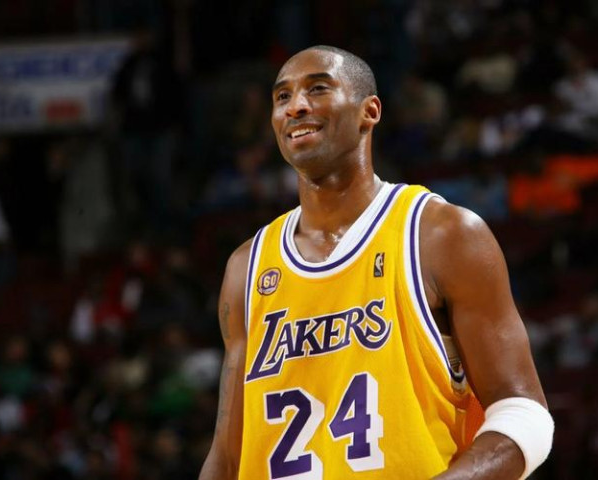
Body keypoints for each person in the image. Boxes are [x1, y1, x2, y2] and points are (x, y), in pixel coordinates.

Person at [199, 46, 553, 480]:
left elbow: (524, 416)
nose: (296, 106)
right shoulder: (246, 268)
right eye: (282, 97)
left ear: (370, 111)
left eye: (318, 89)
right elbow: (226, 456)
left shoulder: (441, 235)